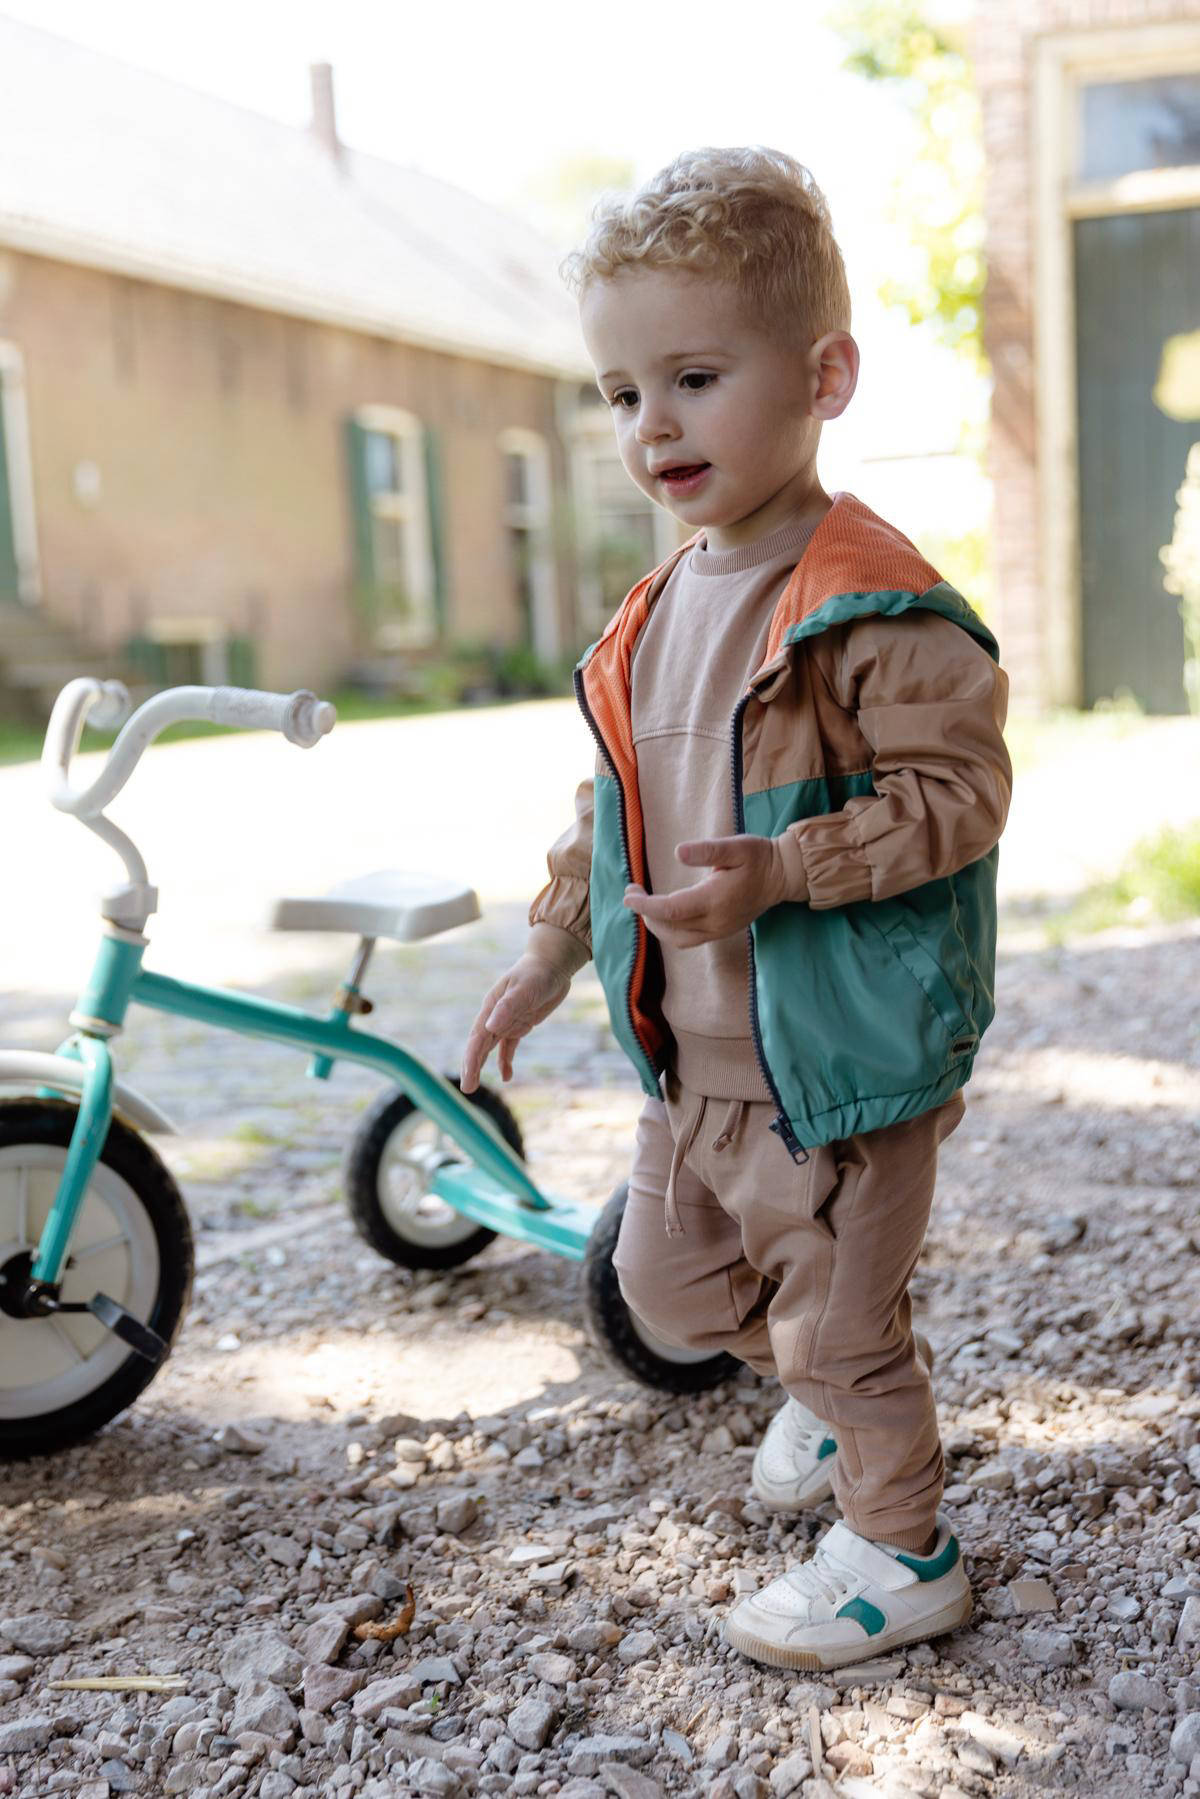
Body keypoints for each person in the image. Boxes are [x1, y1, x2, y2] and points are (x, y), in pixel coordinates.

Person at [461, 146, 1011, 1670]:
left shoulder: (869, 604)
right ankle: (836, 1409)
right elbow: (608, 806)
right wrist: (549, 945)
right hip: (689, 1050)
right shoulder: (654, 610)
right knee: (668, 1283)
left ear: (823, 374)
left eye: (695, 377)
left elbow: (961, 796)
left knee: (838, 1321)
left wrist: (792, 868)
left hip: (832, 1060)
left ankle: (903, 1548)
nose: (653, 426)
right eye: (622, 392)